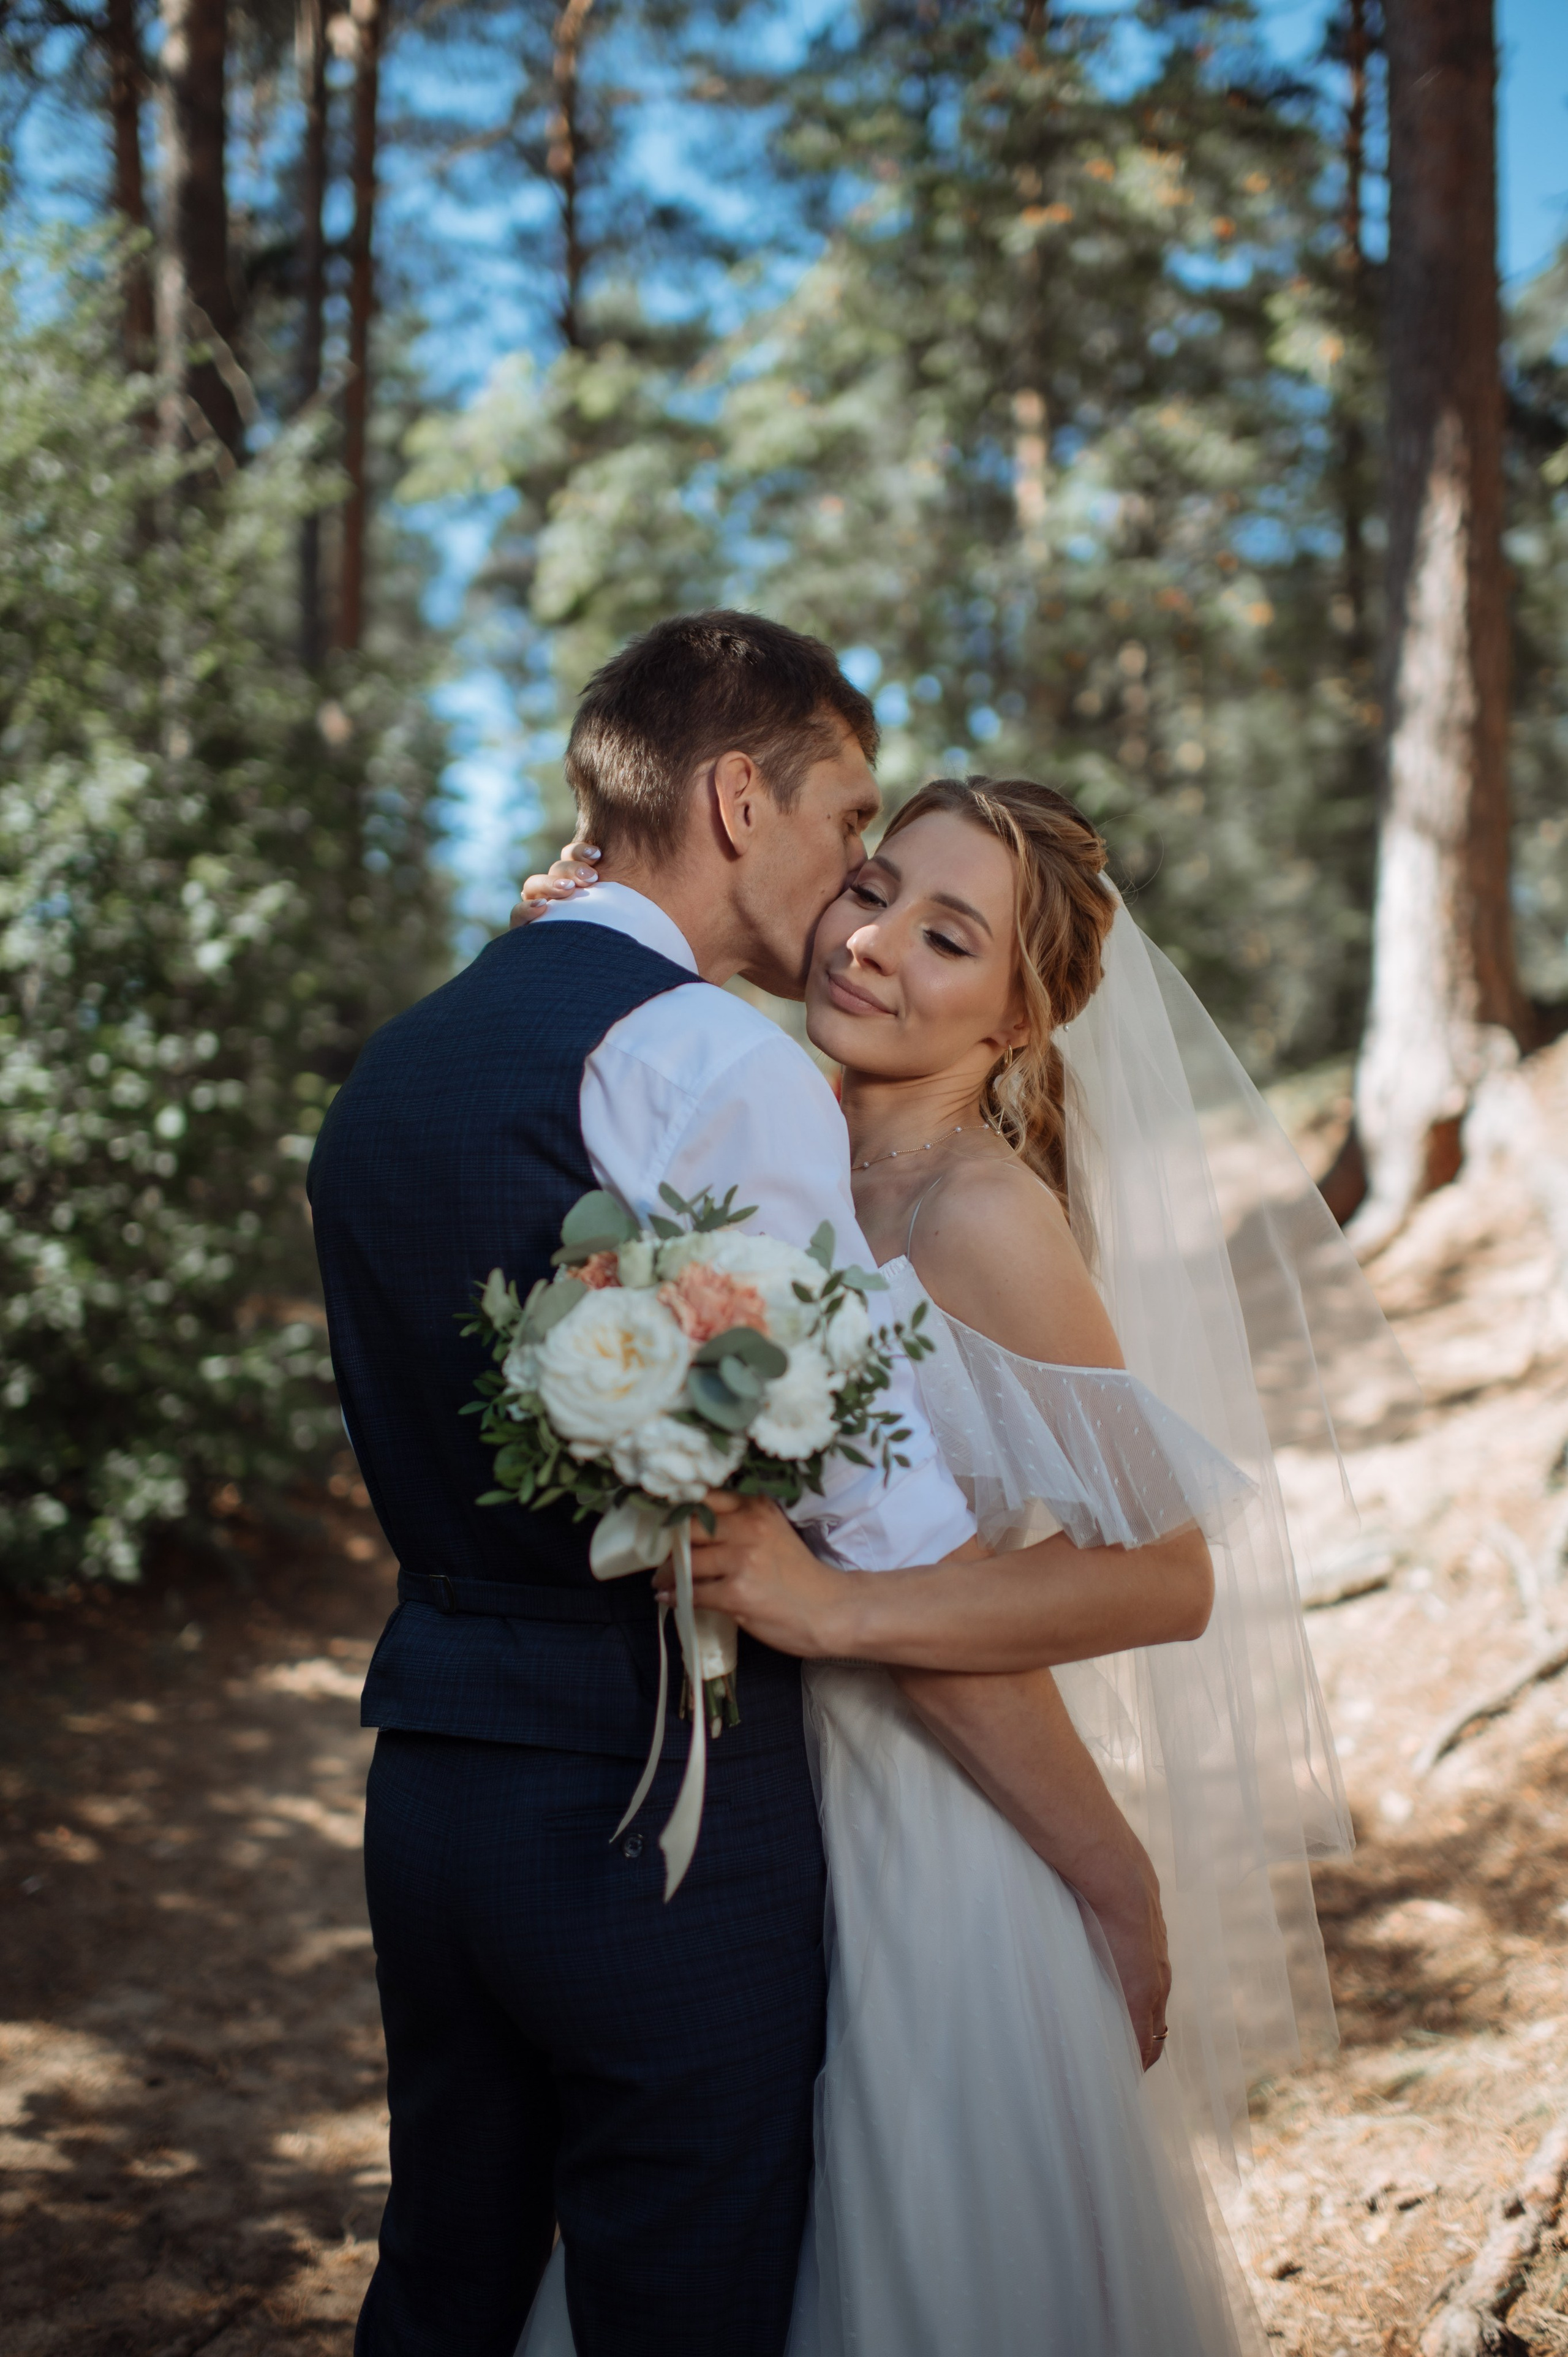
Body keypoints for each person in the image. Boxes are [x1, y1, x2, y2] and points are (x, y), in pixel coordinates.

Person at [308, 613, 1189, 2357]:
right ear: (735, 798)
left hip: (436, 1786)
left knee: (452, 2278)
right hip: (668, 1808)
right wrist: (1112, 1870)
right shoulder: (717, 1066)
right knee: (687, 2297)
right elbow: (879, 1519)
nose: (856, 883)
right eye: (851, 828)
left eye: (938, 918)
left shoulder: (404, 1066)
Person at [518, 767, 1372, 2355]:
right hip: (734, 1819)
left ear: (1017, 1022)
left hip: (926, 1831)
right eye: (875, 888)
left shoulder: (984, 1220)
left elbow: (1167, 1575)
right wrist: (591, 941)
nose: (872, 943)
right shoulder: (760, 1129)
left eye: (948, 935)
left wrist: (838, 1606)